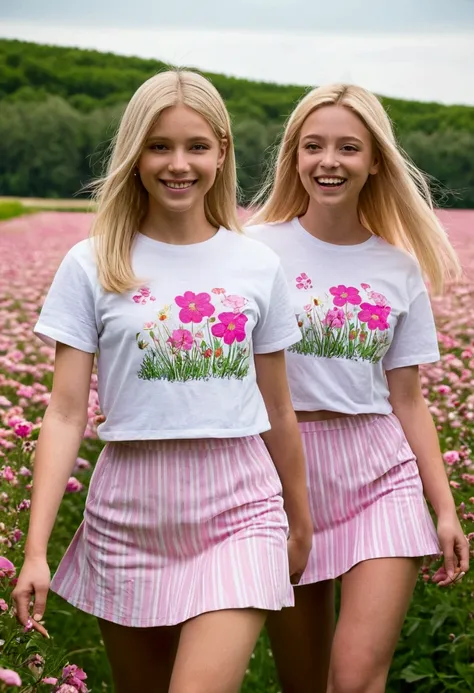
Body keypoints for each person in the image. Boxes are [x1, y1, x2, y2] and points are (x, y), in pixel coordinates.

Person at [12, 69, 313, 693]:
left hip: (240, 507)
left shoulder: (258, 265)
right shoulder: (91, 263)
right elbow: (66, 413)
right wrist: (35, 549)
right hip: (127, 512)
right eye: (160, 146)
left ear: (221, 151)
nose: (179, 164)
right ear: (134, 154)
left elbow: (280, 409)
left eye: (196, 146)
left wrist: (301, 520)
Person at [246, 83, 470, 693]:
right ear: (294, 156)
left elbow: (408, 399)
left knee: (353, 678)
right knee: (304, 680)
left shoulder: (397, 267)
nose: (329, 161)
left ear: (375, 161)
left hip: (380, 475)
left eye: (349, 147)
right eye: (313, 146)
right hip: (284, 474)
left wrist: (444, 509)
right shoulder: (255, 250)